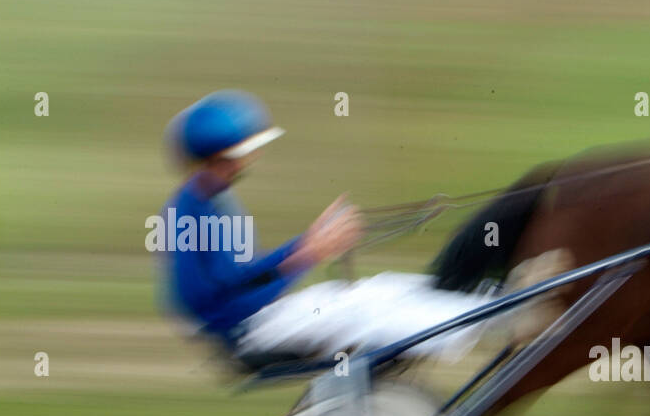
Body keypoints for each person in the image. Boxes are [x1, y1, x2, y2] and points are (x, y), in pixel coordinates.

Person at [157, 89, 498, 367]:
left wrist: (306, 243)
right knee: (363, 310)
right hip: (249, 331)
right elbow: (206, 301)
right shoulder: (190, 212)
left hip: (261, 318)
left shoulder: (213, 200)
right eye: (248, 150)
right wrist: (307, 256)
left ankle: (485, 303)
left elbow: (242, 274)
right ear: (225, 155)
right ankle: (483, 317)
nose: (252, 158)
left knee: (378, 290)